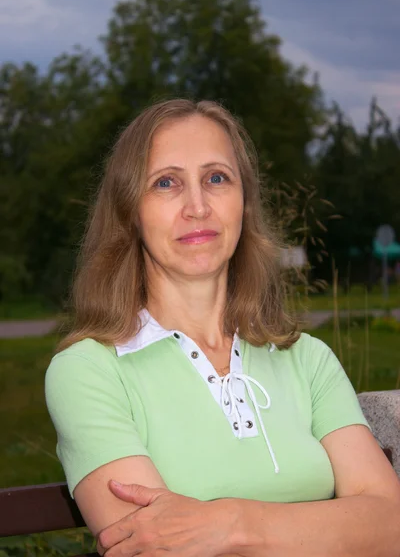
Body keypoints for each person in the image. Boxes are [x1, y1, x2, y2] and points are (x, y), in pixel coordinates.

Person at [45, 99, 400, 557]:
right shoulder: (88, 372)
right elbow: (154, 550)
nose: (197, 206)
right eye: (166, 182)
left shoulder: (307, 359)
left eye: (217, 178)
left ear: (244, 203)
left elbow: (391, 524)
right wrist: (334, 527)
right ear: (130, 211)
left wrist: (231, 524)